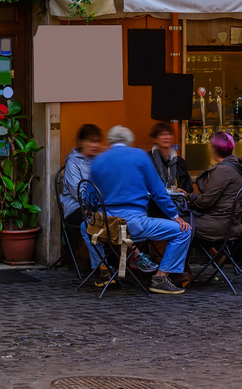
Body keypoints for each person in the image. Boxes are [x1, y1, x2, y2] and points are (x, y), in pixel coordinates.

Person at [81, 125, 193, 295]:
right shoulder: (140, 156)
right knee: (183, 232)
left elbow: (90, 197)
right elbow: (158, 191)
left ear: (110, 141)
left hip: (106, 225)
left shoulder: (99, 159)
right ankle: (160, 278)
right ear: (129, 142)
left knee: (85, 227)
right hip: (134, 225)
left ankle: (104, 269)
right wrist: (175, 215)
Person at [187, 132, 242, 243]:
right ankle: (212, 253)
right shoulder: (236, 167)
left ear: (213, 149)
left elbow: (206, 201)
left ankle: (176, 261)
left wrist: (189, 197)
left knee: (177, 224)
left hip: (222, 225)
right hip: (236, 223)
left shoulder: (223, 170)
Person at [60, 124, 104, 268]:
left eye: (97, 141)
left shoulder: (100, 160)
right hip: (76, 207)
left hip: (98, 205)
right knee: (97, 221)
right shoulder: (73, 162)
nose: (94, 145)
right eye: (91, 141)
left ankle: (114, 262)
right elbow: (78, 192)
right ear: (81, 142)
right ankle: (103, 265)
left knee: (120, 216)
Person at [148, 122, 193, 194]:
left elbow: (189, 188)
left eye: (169, 134)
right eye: (162, 134)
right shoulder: (147, 160)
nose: (167, 137)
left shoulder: (180, 162)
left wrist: (185, 192)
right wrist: (168, 191)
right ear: (154, 139)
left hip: (177, 203)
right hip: (154, 203)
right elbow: (143, 187)